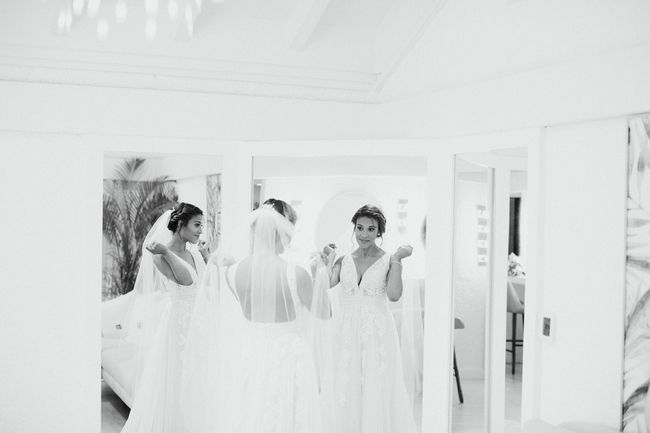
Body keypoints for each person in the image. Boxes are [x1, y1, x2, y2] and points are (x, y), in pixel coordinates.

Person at [181, 201, 331, 433]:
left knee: (252, 415)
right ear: (284, 230)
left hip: (250, 352)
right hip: (289, 356)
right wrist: (320, 272)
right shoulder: (296, 274)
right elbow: (324, 312)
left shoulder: (232, 272)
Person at [322, 204, 418, 433]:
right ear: (354, 228)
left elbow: (394, 295)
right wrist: (328, 261)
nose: (364, 234)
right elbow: (325, 285)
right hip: (346, 332)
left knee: (376, 383)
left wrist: (398, 259)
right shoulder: (343, 260)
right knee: (346, 382)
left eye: (370, 229)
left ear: (379, 232)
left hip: (377, 332)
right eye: (359, 228)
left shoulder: (388, 260)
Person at [121, 202, 207, 433]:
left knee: (197, 378)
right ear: (181, 225)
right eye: (197, 225)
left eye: (202, 225)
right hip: (178, 324)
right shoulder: (160, 256)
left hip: (198, 322)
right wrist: (167, 252)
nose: (201, 231)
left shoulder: (194, 253)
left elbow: (203, 284)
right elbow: (185, 280)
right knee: (177, 377)